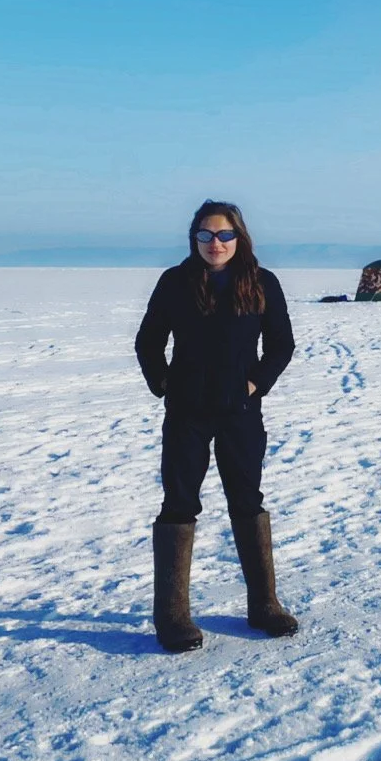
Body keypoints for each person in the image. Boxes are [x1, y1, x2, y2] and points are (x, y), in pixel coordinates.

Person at [135, 200, 299, 652]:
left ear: (239, 237)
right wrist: (165, 384)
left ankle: (264, 604)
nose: (215, 244)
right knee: (179, 502)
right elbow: (148, 341)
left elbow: (282, 345)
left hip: (239, 412)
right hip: (187, 413)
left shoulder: (263, 283)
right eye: (205, 235)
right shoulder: (175, 282)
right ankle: (171, 616)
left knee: (247, 500)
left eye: (224, 235)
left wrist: (254, 385)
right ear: (194, 239)